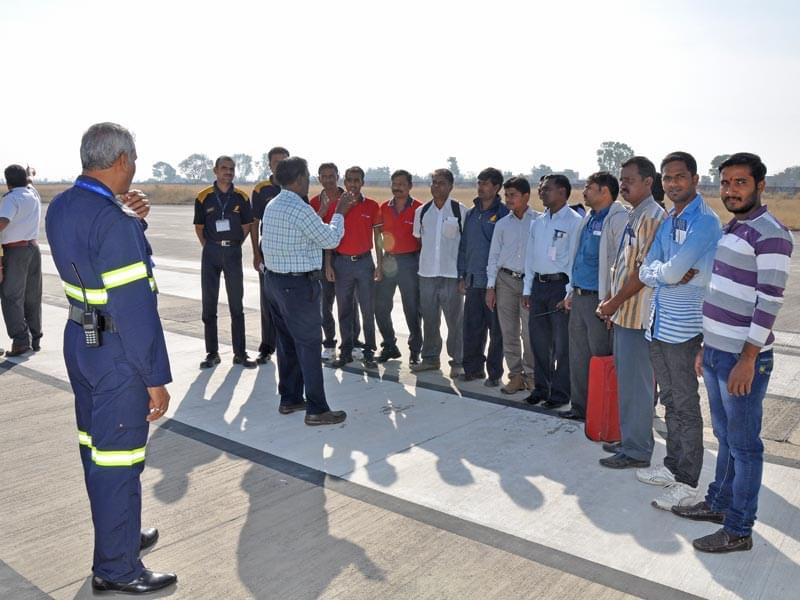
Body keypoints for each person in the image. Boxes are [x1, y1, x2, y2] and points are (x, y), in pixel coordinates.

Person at [45, 122, 176, 593]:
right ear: (121, 160)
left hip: (82, 341)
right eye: (133, 160)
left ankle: (119, 534)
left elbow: (91, 251)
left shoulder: (62, 206)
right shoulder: (114, 221)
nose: (134, 167)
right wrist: (154, 377)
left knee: (97, 451)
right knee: (120, 457)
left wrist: (129, 217)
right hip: (119, 352)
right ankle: (117, 567)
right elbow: (134, 308)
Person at [672, 153, 794, 553]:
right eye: (725, 183)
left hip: (742, 359)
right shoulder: (734, 227)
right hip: (716, 353)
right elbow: (721, 291)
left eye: (740, 182)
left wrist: (748, 359)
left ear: (760, 186)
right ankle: (718, 503)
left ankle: (739, 529)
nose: (730, 190)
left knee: (744, 446)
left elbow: (769, 302)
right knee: (724, 437)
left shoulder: (771, 234)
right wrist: (706, 346)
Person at [637, 152, 722, 509]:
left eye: (679, 177)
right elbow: (646, 269)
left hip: (685, 329)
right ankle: (672, 466)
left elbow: (667, 272)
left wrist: (663, 273)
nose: (672, 184)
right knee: (670, 401)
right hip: (659, 324)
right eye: (667, 178)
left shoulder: (705, 222)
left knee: (685, 405)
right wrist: (664, 273)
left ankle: (688, 482)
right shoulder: (670, 217)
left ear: (695, 179)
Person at [262, 156, 352, 425]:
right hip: (298, 286)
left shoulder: (273, 204)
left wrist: (321, 212)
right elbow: (330, 239)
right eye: (308, 175)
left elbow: (303, 235)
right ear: (300, 178)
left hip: (275, 283)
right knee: (309, 346)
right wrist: (339, 212)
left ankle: (289, 398)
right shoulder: (299, 208)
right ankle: (317, 409)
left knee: (287, 343)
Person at [597, 157, 666, 469]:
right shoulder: (635, 214)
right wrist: (611, 300)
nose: (623, 185)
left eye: (630, 180)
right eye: (621, 179)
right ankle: (631, 439)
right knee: (628, 383)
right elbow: (624, 266)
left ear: (649, 182)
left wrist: (613, 303)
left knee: (638, 387)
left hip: (637, 317)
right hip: (625, 313)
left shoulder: (651, 217)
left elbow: (642, 273)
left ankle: (637, 450)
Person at [562, 171, 628, 421]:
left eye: (589, 187)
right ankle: (580, 408)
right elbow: (578, 257)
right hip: (580, 296)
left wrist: (612, 301)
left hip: (600, 300)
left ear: (604, 191)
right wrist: (571, 291)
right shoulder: (589, 217)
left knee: (601, 356)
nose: (584, 191)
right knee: (578, 356)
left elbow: (622, 264)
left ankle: (604, 410)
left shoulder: (618, 218)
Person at [523, 174, 582, 407]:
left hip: (560, 286)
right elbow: (530, 257)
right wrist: (527, 288)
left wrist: (569, 292)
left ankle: (560, 393)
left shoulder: (574, 222)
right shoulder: (538, 222)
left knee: (562, 345)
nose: (541, 192)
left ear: (562, 192)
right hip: (539, 286)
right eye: (541, 188)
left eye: (546, 189)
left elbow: (575, 260)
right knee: (539, 342)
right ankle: (541, 388)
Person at [193, 156, 256, 369]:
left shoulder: (241, 197)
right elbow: (199, 227)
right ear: (215, 170)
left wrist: (233, 244)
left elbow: (247, 225)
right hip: (211, 252)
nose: (228, 172)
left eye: (231, 168)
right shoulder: (203, 197)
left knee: (236, 304)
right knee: (209, 305)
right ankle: (212, 353)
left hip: (233, 252)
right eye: (224, 168)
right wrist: (211, 246)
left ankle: (240, 353)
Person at [411, 169, 467, 377]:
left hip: (451, 276)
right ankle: (430, 358)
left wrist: (463, 276)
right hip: (427, 274)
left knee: (455, 322)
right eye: (433, 182)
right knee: (430, 319)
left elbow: (465, 246)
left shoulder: (460, 211)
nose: (436, 186)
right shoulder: (422, 211)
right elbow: (419, 240)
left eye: (441, 183)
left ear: (451, 186)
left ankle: (457, 362)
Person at [486, 176, 538, 393]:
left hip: (530, 283)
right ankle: (515, 375)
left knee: (529, 333)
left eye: (513, 195)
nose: (508, 199)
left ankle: (531, 375)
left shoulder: (539, 221)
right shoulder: (501, 224)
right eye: (506, 195)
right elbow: (493, 256)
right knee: (509, 332)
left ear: (526, 196)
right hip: (505, 281)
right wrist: (490, 287)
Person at [327, 166, 382, 369]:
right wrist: (328, 265)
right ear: (344, 182)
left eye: (357, 180)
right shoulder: (337, 206)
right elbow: (329, 236)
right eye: (349, 180)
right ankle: (346, 351)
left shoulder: (372, 206)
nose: (353, 184)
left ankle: (369, 352)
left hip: (365, 263)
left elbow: (379, 238)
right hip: (341, 263)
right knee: (344, 309)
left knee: (367, 310)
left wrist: (380, 264)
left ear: (362, 182)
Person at [457, 168, 507, 386]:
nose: (480, 187)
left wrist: (494, 283)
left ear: (496, 188)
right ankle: (472, 369)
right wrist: (462, 275)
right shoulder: (471, 213)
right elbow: (464, 246)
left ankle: (494, 374)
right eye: (479, 183)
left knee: (496, 331)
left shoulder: (504, 214)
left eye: (485, 183)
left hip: (494, 284)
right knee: (471, 328)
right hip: (472, 280)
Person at [311, 163, 361, 361]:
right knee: (325, 304)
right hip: (324, 260)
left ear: (338, 177)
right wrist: (322, 211)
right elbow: (313, 231)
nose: (328, 180)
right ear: (319, 179)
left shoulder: (348, 198)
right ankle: (329, 343)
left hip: (345, 258)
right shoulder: (314, 202)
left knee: (349, 304)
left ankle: (353, 342)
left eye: (331, 176)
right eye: (324, 176)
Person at [374, 169, 423, 365]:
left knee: (412, 308)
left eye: (402, 184)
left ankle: (415, 350)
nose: (398, 187)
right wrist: (379, 265)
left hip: (410, 262)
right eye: (395, 184)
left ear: (410, 186)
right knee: (380, 306)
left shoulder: (419, 209)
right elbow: (378, 237)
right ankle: (389, 345)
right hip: (388, 261)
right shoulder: (383, 208)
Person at [250, 146, 289, 364]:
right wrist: (256, 254)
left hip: (290, 251)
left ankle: (289, 343)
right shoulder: (261, 190)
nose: (280, 166)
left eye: (284, 162)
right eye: (276, 162)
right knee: (268, 300)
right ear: (269, 165)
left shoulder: (296, 186)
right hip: (268, 250)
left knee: (288, 300)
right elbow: (254, 223)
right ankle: (267, 346)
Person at [0, 164, 43, 356]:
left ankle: (20, 341)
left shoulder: (11, 199)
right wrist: (31, 172)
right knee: (32, 296)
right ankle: (35, 338)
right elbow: (30, 180)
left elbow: (2, 222)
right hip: (33, 250)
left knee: (11, 297)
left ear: (7, 182)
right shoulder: (32, 193)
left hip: (15, 252)